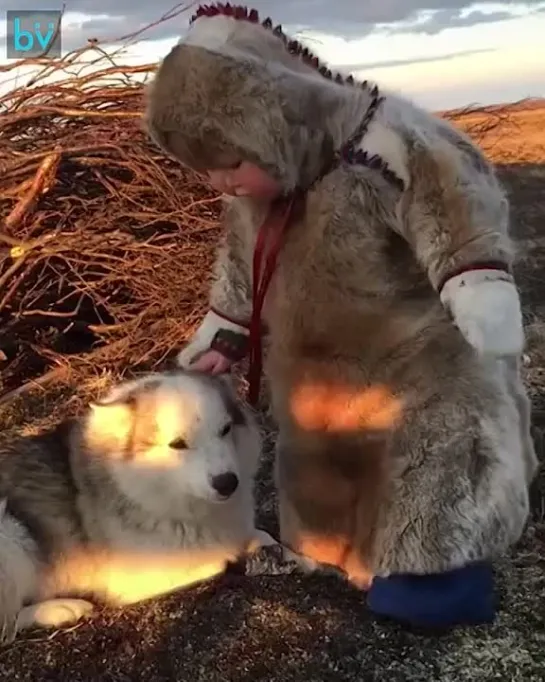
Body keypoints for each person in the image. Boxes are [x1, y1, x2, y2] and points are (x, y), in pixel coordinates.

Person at [144, 3, 537, 629]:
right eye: (207, 169)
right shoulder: (260, 190)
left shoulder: (380, 144)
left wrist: (473, 277)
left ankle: (433, 580)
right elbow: (243, 265)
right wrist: (227, 329)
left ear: (273, 124)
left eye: (230, 162)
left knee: (430, 459)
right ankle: (348, 556)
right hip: (318, 375)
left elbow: (449, 194)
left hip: (412, 359)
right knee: (321, 474)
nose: (222, 183)